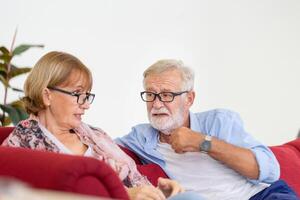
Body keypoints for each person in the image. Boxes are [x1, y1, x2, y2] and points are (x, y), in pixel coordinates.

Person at [1, 52, 196, 200]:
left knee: (189, 197)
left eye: (87, 96)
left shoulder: (94, 135)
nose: (85, 104)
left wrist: (156, 189)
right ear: (47, 95)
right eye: (78, 94)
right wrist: (127, 194)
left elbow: (134, 177)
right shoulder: (23, 142)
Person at [116, 59, 298, 200]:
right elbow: (95, 143)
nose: (156, 104)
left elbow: (270, 169)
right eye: (150, 94)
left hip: (260, 196)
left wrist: (202, 142)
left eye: (166, 95)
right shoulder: (141, 138)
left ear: (189, 99)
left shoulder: (219, 121)